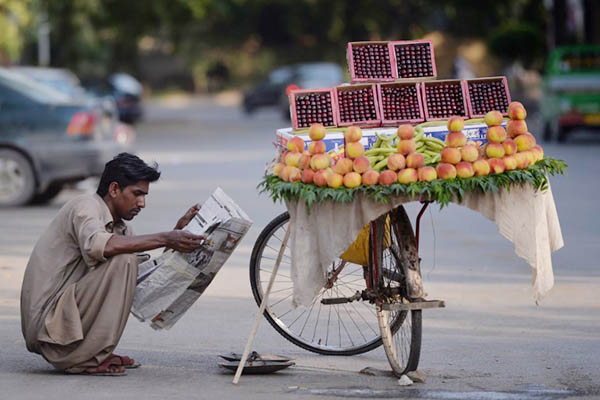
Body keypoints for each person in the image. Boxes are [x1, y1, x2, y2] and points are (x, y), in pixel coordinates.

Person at [20, 153, 205, 376]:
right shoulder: (85, 206)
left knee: (127, 260)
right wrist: (166, 237)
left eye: (145, 195)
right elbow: (100, 245)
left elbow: (141, 282)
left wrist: (179, 234)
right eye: (137, 194)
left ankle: (91, 352)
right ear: (114, 189)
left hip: (63, 322)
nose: (142, 203)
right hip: (48, 328)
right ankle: (84, 358)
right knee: (124, 257)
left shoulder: (121, 228)